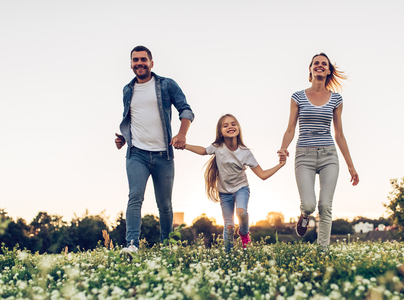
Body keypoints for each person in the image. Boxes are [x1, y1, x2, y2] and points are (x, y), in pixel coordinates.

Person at [115, 45, 194, 254]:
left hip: (163, 155)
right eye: (135, 60)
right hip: (136, 154)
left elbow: (186, 109)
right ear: (131, 64)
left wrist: (182, 134)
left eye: (143, 59)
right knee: (135, 196)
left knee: (165, 205)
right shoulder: (127, 90)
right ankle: (132, 245)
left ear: (151, 62)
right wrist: (124, 138)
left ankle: (166, 246)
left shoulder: (166, 85)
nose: (139, 63)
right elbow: (135, 118)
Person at [278, 52, 359, 249]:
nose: (320, 65)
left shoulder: (336, 99)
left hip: (329, 155)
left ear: (329, 70)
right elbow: (291, 128)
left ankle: (323, 252)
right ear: (310, 69)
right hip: (303, 156)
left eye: (324, 63)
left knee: (325, 206)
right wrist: (283, 148)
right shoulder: (297, 97)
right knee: (309, 205)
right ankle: (304, 216)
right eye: (316, 63)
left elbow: (339, 135)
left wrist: (351, 166)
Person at [184, 114, 285, 251]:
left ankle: (244, 234)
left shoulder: (245, 153)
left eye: (233, 124)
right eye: (225, 125)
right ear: (220, 132)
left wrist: (280, 165)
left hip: (241, 189)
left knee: (241, 212)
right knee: (229, 225)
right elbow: (203, 151)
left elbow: (262, 175)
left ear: (238, 128)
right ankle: (228, 254)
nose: (230, 127)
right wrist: (185, 145)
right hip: (224, 193)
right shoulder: (217, 147)